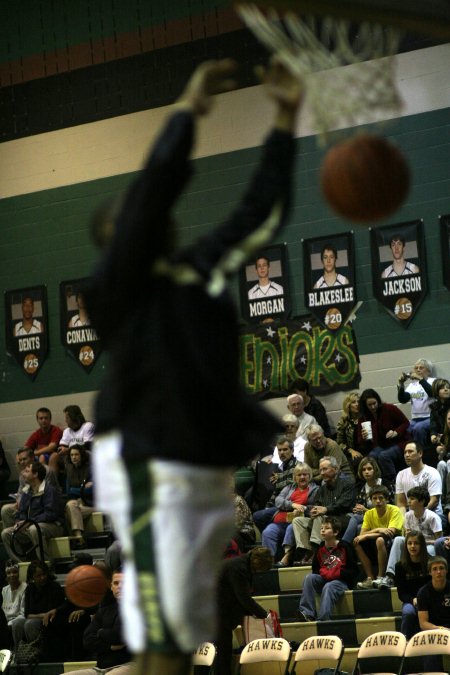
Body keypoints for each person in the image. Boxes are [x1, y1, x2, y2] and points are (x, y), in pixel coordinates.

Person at [85, 58, 303, 675]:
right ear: (120, 235)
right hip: (147, 455)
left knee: (181, 640)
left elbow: (260, 212)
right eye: (131, 214)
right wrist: (188, 111)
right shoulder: (113, 288)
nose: (145, 211)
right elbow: (154, 187)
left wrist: (285, 120)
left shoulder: (198, 267)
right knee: (163, 640)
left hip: (203, 459)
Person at [215, 547, 274, 675]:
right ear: (258, 562)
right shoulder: (239, 568)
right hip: (215, 610)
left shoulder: (241, 563)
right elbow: (244, 598)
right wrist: (264, 615)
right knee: (223, 650)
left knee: (220, 649)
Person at [291, 456, 355, 565]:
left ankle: (317, 552)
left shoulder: (348, 483)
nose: (322, 472)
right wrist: (312, 511)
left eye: (325, 469)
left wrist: (325, 509)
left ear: (335, 469)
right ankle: (307, 550)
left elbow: (344, 504)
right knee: (298, 521)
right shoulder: (322, 489)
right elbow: (317, 505)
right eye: (320, 470)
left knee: (320, 517)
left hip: (342, 518)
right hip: (324, 520)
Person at [296, 516, 358, 622]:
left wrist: (337, 573)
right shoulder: (320, 549)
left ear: (335, 532)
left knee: (329, 586)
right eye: (321, 528)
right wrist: (325, 573)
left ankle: (323, 619)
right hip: (325, 579)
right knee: (309, 578)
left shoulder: (345, 547)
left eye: (327, 528)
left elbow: (354, 571)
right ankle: (307, 613)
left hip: (341, 582)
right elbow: (315, 570)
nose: (323, 530)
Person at [380, 486, 441, 591]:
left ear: (421, 501)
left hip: (428, 545)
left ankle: (427, 577)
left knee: (430, 551)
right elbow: (407, 536)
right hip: (413, 542)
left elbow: (439, 540)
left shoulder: (433, 517)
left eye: (412, 499)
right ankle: (390, 575)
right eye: (409, 498)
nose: (409, 501)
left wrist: (422, 542)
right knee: (398, 539)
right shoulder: (408, 516)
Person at [1, 462, 65, 562]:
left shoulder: (49, 490)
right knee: (6, 533)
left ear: (35, 474)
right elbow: (21, 511)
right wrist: (19, 522)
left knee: (34, 529)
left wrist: (29, 521)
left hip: (53, 526)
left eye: (27, 471)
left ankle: (45, 565)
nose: (23, 474)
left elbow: (50, 514)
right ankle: (21, 564)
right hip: (31, 525)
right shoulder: (26, 491)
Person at [261, 463, 318, 564]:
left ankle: (287, 557)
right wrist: (292, 505)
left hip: (300, 522)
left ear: (310, 476)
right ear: (295, 477)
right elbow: (278, 500)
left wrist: (303, 508)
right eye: (299, 475)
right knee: (268, 532)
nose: (302, 477)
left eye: (305, 474)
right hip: (281, 522)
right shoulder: (289, 488)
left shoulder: (315, 489)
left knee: (291, 528)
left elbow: (315, 507)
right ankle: (269, 562)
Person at [354, 484, 403, 589]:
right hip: (376, 542)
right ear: (371, 500)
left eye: (381, 498)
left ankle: (381, 576)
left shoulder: (394, 510)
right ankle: (370, 578)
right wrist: (378, 529)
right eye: (374, 498)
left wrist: (367, 535)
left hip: (394, 542)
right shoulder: (369, 513)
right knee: (357, 542)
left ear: (386, 499)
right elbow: (362, 534)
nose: (378, 501)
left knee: (380, 540)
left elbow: (390, 532)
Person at [356, 388, 410, 483]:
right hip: (381, 446)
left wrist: (395, 432)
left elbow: (405, 423)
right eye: (370, 405)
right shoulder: (363, 417)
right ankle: (375, 482)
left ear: (378, 401)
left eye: (374, 403)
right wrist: (364, 438)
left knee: (384, 456)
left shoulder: (389, 408)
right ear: (365, 405)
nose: (373, 407)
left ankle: (392, 482)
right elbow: (360, 440)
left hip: (399, 442)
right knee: (371, 456)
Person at [1, 447, 60, 529]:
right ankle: (14, 533)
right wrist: (19, 500)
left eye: (24, 459)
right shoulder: (23, 474)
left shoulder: (46, 471)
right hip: (29, 503)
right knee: (6, 509)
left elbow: (48, 493)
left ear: (32, 458)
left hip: (43, 504)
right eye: (20, 460)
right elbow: (21, 493)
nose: (22, 462)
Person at [342, 457, 395, 544]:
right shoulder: (361, 488)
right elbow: (359, 507)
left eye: (369, 469)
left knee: (356, 521)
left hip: (384, 518)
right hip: (367, 518)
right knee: (355, 520)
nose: (366, 472)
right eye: (364, 469)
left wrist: (365, 510)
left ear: (375, 469)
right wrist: (358, 509)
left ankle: (344, 545)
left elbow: (391, 508)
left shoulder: (386, 484)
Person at [14, 560, 65, 647]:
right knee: (17, 623)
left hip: (51, 619)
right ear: (32, 577)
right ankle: (18, 650)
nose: (42, 578)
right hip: (38, 617)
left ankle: (35, 651)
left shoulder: (54, 586)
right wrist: (43, 615)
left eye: (44, 574)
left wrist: (45, 615)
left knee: (30, 624)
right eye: (38, 576)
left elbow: (58, 608)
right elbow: (27, 614)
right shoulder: (30, 588)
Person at [253, 436, 298, 532]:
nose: (282, 452)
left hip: (289, 505)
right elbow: (277, 490)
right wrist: (267, 507)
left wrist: (280, 478)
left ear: (292, 450)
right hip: (278, 504)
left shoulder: (297, 466)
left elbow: (292, 480)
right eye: (279, 450)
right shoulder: (281, 468)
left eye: (285, 449)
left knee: (256, 516)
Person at [395, 441, 444, 529]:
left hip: (433, 515)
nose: (407, 455)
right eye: (405, 452)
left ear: (420, 453)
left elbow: (434, 500)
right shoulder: (401, 475)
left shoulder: (432, 472)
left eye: (410, 451)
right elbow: (401, 503)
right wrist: (404, 520)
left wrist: (418, 514)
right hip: (412, 517)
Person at [394, 530, 430, 639]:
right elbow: (401, 594)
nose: (412, 546)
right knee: (408, 613)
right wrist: (412, 600)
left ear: (422, 545)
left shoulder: (430, 562)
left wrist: (424, 600)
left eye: (416, 543)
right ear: (406, 546)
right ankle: (405, 643)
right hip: (410, 600)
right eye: (409, 543)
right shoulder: (399, 566)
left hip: (429, 600)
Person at [417, 557, 450, 672]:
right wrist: (441, 629)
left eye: (441, 568)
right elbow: (423, 623)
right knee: (430, 651)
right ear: (430, 572)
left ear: (447, 570)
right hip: (433, 630)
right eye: (435, 569)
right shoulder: (423, 592)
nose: (439, 572)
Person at [397, 359, 434, 448]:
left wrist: (421, 379)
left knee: (418, 428)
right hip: (415, 418)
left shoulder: (433, 381)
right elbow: (403, 399)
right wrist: (401, 384)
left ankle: (420, 452)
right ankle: (408, 452)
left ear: (428, 371)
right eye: (416, 368)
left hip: (430, 417)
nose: (418, 370)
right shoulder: (412, 385)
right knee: (405, 429)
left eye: (421, 368)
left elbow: (432, 393)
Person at [64, 445, 94, 549]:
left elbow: (92, 490)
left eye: (76, 454)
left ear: (82, 456)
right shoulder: (70, 471)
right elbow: (68, 492)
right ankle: (79, 537)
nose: (74, 457)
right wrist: (82, 489)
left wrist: (75, 490)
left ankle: (75, 540)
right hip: (77, 505)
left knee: (70, 507)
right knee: (71, 506)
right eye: (72, 455)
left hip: (91, 505)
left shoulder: (90, 469)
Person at [49, 405, 95, 472]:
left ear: (74, 417)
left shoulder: (87, 426)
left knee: (75, 455)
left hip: (84, 454)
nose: (65, 420)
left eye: (67, 418)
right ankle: (52, 482)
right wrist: (61, 450)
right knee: (54, 456)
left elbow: (88, 446)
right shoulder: (67, 431)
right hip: (70, 456)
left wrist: (68, 450)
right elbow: (61, 447)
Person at [0, 560, 27, 648]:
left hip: (19, 620)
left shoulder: (25, 587)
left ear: (18, 573)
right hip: (6, 621)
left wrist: (8, 624)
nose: (12, 575)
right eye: (9, 573)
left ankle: (17, 651)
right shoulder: (4, 590)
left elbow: (23, 613)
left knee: (16, 624)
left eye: (14, 572)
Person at [336, 392, 362, 474]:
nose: (357, 404)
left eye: (358, 402)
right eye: (354, 402)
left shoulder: (365, 417)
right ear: (348, 405)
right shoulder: (344, 421)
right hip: (351, 452)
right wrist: (351, 451)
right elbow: (340, 443)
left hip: (367, 449)